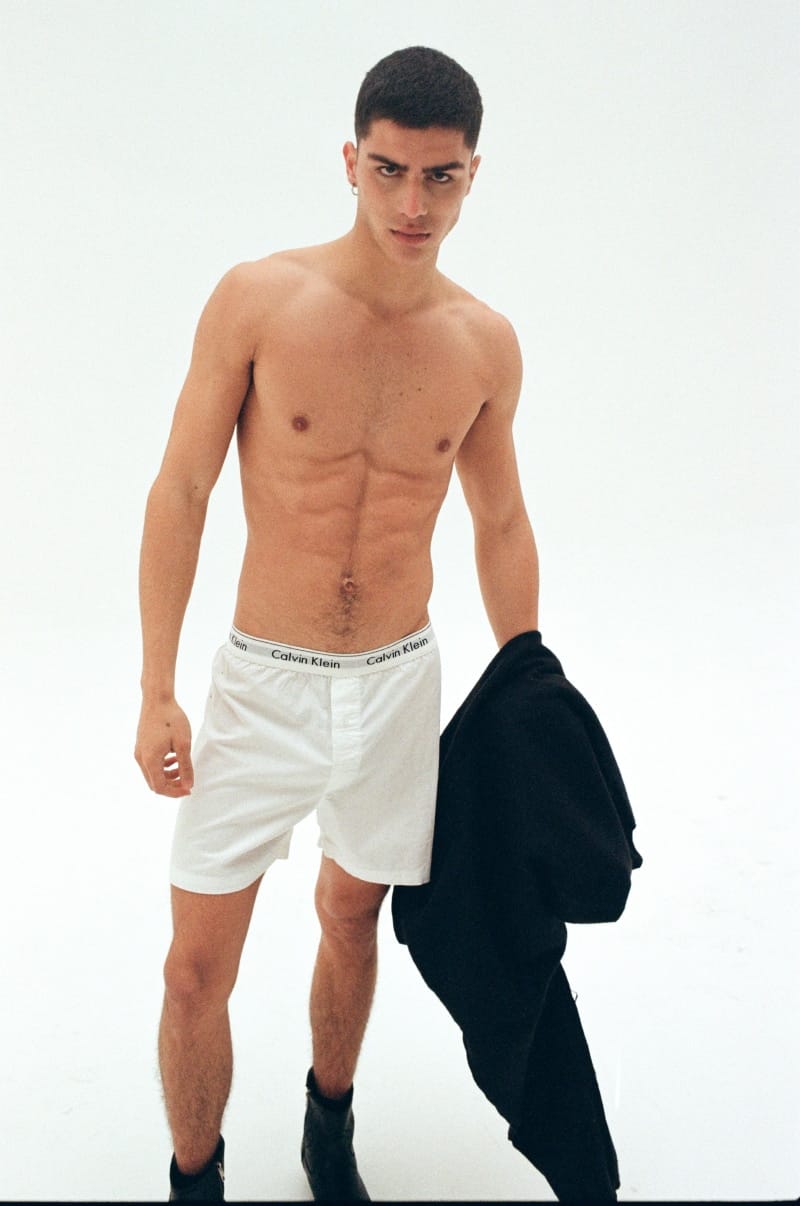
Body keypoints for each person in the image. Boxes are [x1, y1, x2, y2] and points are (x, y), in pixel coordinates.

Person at [134, 45, 539, 1202]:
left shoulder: (482, 342)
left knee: (351, 921)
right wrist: (157, 686)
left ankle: (328, 1126)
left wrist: (529, 686)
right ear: (350, 161)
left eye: (440, 177)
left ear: (471, 176)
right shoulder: (260, 300)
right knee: (193, 970)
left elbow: (499, 521)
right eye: (389, 170)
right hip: (262, 682)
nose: (412, 203)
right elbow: (181, 490)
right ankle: (196, 1177)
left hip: (398, 686)